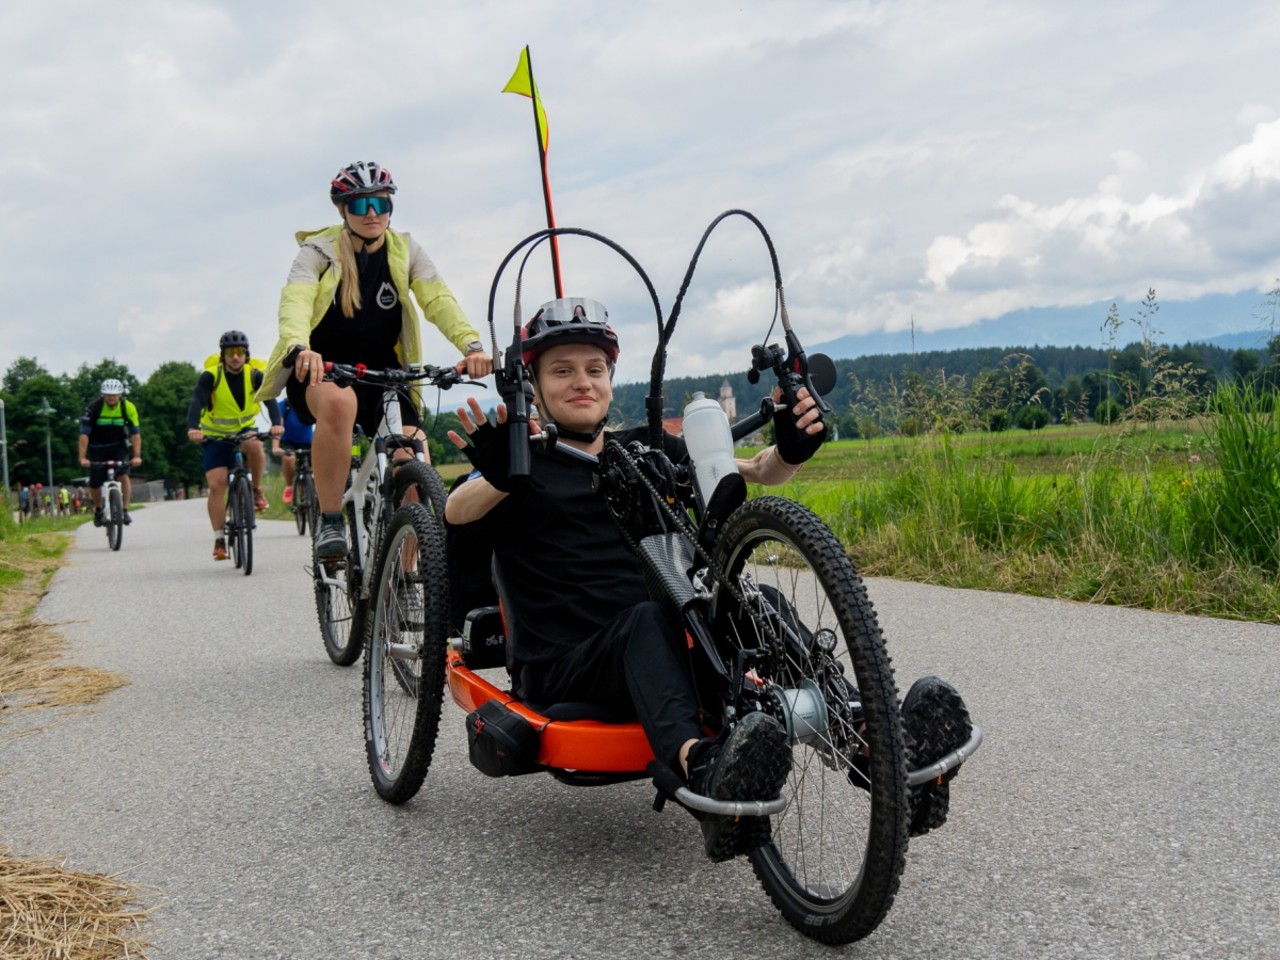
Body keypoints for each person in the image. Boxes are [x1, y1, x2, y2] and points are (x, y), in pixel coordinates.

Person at [446, 298, 973, 862]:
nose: (582, 382)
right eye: (562, 371)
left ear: (611, 379)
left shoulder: (645, 450)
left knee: (759, 601)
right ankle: (703, 770)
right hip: (569, 669)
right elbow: (457, 510)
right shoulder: (517, 464)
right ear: (534, 383)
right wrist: (504, 474)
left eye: (594, 369)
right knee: (648, 621)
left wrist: (793, 446)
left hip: (669, 648)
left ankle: (875, 746)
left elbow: (757, 470)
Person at [257, 160, 493, 562]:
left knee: (413, 455)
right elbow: (295, 301)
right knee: (339, 402)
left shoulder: (406, 249)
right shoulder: (318, 252)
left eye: (381, 203)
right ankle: (331, 519)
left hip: (385, 373)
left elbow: (439, 299)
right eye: (360, 204)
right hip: (321, 369)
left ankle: (405, 577)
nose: (372, 213)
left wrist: (471, 346)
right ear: (341, 209)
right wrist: (298, 347)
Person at [187, 331, 282, 561]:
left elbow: (270, 400)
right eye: (230, 352)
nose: (236, 357)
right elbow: (197, 401)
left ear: (246, 354)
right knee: (216, 485)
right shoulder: (211, 376)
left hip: (244, 429)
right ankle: (219, 539)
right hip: (215, 435)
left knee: (255, 446)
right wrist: (193, 427)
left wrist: (277, 424)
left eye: (240, 352)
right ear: (223, 355)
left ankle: (256, 491)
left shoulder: (255, 375)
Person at [78, 379, 142, 526]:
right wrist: (82, 457)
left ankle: (124, 510)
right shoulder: (94, 408)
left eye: (114, 395)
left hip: (118, 446)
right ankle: (98, 510)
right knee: (95, 482)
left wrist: (137, 456)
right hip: (97, 447)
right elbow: (84, 434)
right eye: (108, 395)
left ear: (120, 395)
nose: (111, 398)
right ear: (103, 395)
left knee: (124, 476)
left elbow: (135, 433)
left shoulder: (128, 407)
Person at [271, 397, 313, 505]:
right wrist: (275, 446)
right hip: (288, 442)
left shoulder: (310, 402)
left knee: (317, 466)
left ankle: (314, 496)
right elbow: (277, 425)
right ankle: (289, 486)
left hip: (308, 442)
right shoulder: (284, 405)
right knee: (288, 458)